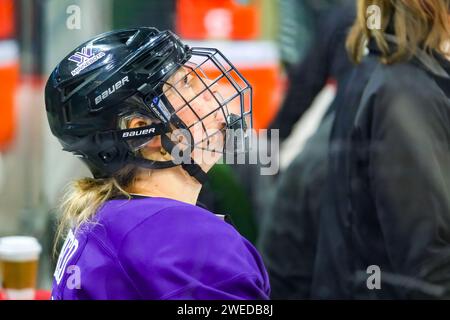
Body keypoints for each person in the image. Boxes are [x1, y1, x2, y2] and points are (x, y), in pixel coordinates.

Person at [45, 27, 270, 300]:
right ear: (145, 131)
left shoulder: (99, 221)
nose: (213, 91)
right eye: (187, 83)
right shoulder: (190, 242)